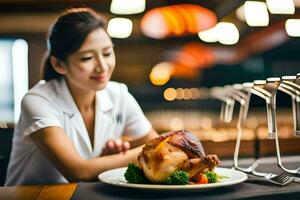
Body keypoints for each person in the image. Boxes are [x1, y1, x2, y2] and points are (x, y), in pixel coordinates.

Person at [5, 7, 158, 186]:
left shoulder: (118, 94)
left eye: (107, 53)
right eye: (87, 58)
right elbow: (79, 172)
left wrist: (114, 156)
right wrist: (142, 154)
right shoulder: (38, 100)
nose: (102, 66)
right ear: (59, 64)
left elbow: (156, 144)